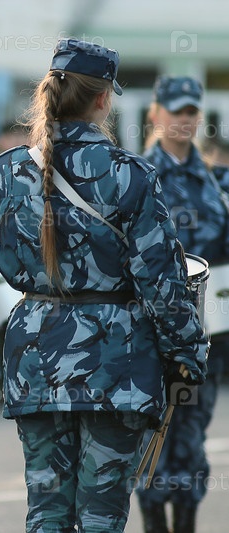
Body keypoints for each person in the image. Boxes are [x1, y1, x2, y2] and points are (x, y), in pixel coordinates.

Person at [0, 39, 208, 532]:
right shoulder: (132, 174)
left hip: (35, 353)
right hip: (116, 359)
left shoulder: (7, 171)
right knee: (102, 515)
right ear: (104, 99)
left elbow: (6, 263)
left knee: (45, 512)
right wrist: (188, 353)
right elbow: (160, 280)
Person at [134, 75, 229, 533]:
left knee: (191, 438)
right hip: (148, 332)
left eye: (192, 111)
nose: (185, 119)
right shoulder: (135, 175)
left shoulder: (215, 181)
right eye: (176, 110)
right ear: (155, 114)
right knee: (150, 438)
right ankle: (154, 521)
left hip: (205, 332)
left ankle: (186, 521)